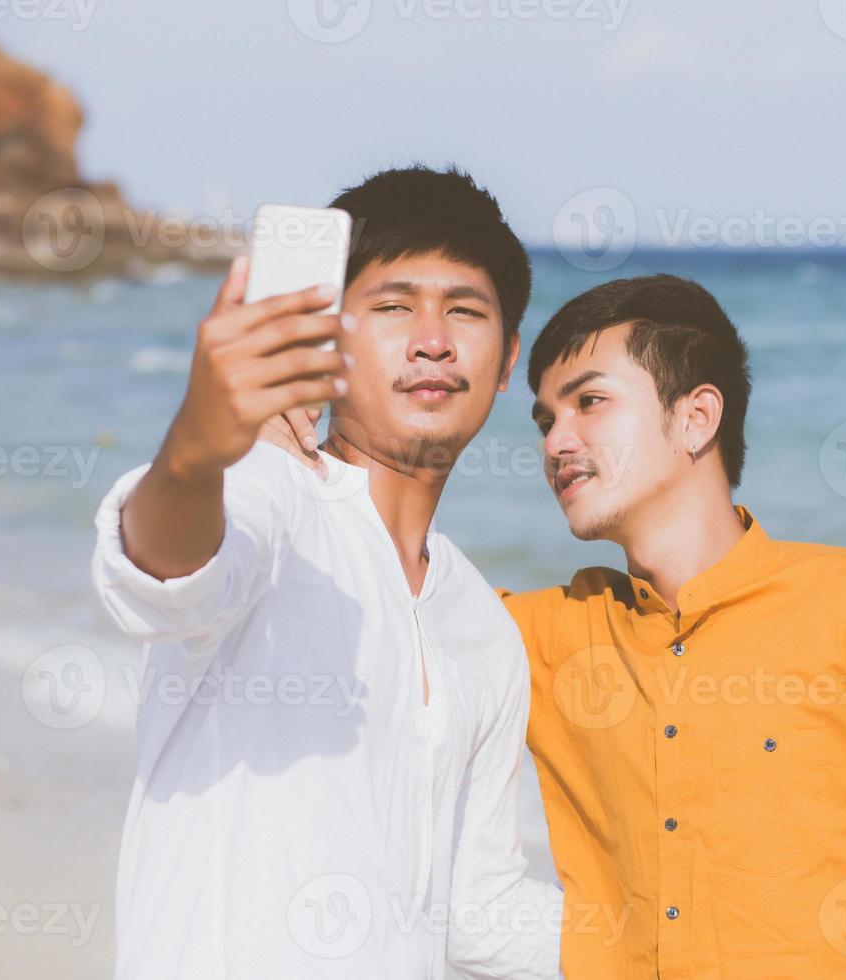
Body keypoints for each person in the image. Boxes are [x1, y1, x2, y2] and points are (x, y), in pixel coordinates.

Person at [276, 273, 846, 977]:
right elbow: (386, 588)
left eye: (588, 403)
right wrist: (295, 454)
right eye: (545, 419)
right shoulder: (532, 635)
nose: (556, 443)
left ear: (695, 418)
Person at [90, 165, 560, 980]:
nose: (433, 341)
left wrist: (695, 942)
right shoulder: (269, 492)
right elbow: (161, 574)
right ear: (325, 337)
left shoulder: (482, 625)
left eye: (465, 311)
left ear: (509, 357)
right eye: (391, 306)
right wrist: (202, 443)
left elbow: (478, 914)